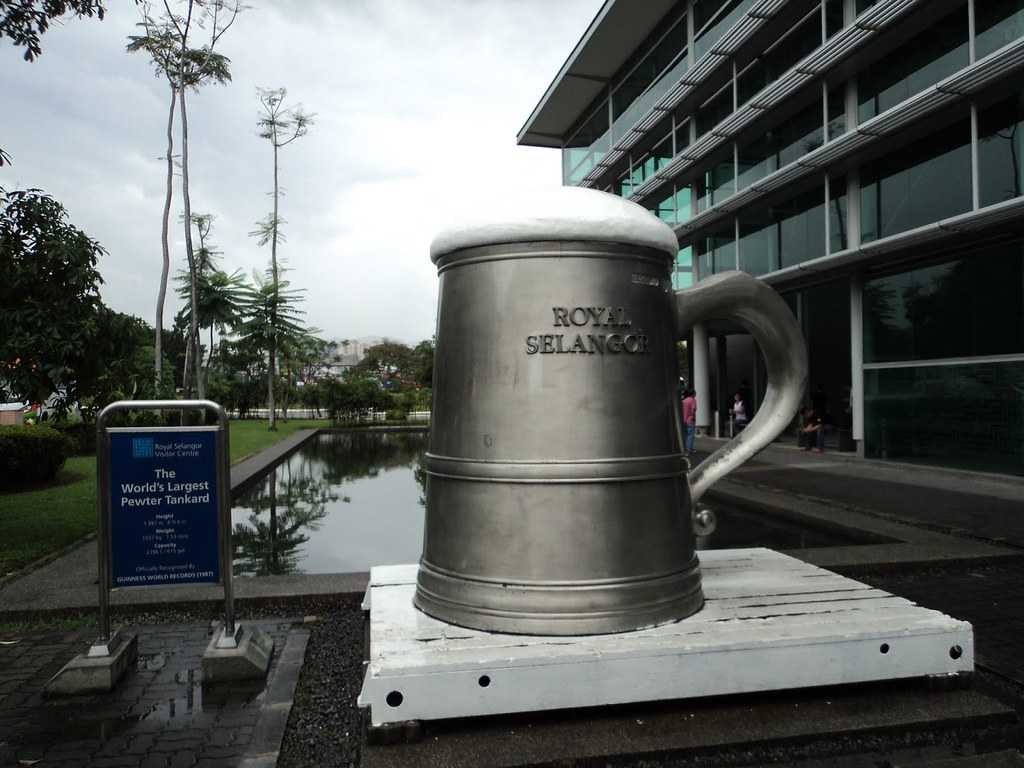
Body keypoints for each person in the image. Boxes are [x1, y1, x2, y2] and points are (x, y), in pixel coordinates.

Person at [681, 389, 697, 455]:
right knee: (690, 435)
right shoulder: (693, 400)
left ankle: (685, 448)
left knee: (686, 435)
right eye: (695, 393)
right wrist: (693, 417)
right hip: (690, 420)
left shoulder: (684, 400)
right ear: (693, 394)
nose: (695, 394)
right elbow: (693, 409)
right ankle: (689, 449)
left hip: (683, 420)